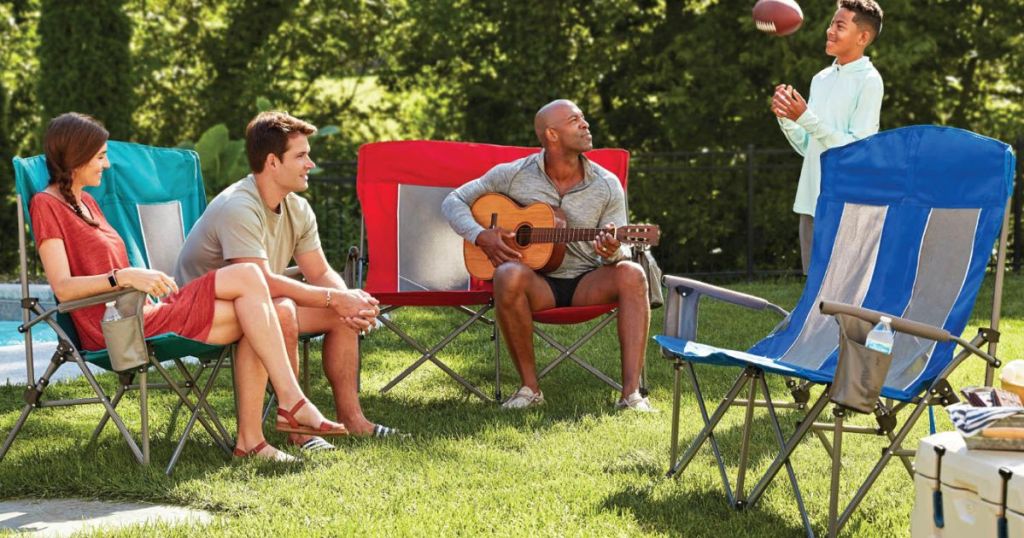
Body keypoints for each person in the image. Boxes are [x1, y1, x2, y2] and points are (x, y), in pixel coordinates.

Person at [31, 112, 348, 462]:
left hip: (143, 310)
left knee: (261, 306)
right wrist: (124, 276)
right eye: (100, 156)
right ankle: (289, 406)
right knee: (250, 283)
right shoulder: (46, 205)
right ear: (75, 158)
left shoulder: (86, 203)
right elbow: (63, 289)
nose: (106, 165)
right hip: (115, 328)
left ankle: (253, 442)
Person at [175, 111, 398, 448]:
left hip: (252, 307)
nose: (310, 163)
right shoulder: (239, 207)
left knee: (339, 315)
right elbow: (260, 281)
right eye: (301, 155)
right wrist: (336, 298)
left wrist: (350, 302)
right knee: (283, 309)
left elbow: (320, 272)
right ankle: (298, 430)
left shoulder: (297, 208)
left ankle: (353, 420)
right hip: (206, 315)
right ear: (272, 163)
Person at [441, 99, 653, 411]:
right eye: (575, 120)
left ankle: (631, 395)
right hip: (537, 284)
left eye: (583, 118)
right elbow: (453, 200)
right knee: (506, 273)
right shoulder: (514, 174)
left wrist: (613, 250)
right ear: (551, 135)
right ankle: (530, 390)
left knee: (633, 273)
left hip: (586, 283)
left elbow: (618, 246)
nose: (585, 124)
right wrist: (481, 235)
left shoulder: (607, 185)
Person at [772, 0, 884, 274]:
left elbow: (858, 148)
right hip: (811, 200)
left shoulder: (870, 81)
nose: (829, 30)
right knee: (814, 288)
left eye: (839, 25)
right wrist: (786, 118)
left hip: (846, 202)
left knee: (842, 290)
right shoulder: (820, 79)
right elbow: (809, 146)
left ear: (862, 37)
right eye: (831, 23)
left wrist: (805, 117)